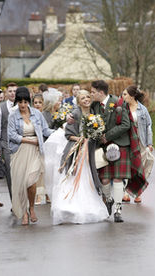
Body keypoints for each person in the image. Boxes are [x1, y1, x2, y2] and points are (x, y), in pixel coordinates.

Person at [50, 90, 108, 225]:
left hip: (89, 152)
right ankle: (68, 207)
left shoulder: (94, 113)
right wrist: (82, 139)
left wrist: (98, 136)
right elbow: (68, 135)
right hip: (76, 151)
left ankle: (88, 208)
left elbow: (96, 133)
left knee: (87, 178)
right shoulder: (75, 114)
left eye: (88, 96)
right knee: (74, 177)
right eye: (83, 98)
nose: (86, 99)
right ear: (78, 101)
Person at [8, 87, 54, 225]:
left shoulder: (37, 114)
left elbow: (45, 130)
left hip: (35, 152)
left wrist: (61, 131)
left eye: (25, 102)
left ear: (29, 101)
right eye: (20, 102)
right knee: (21, 184)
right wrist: (28, 140)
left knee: (31, 181)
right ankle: (24, 212)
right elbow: (11, 135)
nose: (23, 105)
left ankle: (32, 207)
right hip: (19, 151)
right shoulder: (13, 116)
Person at [90, 80, 131, 223]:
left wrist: (107, 136)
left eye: (93, 92)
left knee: (118, 177)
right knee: (105, 179)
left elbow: (126, 124)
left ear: (101, 92)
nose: (91, 94)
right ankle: (109, 200)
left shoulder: (119, 103)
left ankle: (118, 210)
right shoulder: (94, 106)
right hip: (101, 148)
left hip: (120, 144)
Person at [121, 86, 153, 204]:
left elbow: (148, 127)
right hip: (127, 142)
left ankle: (138, 192)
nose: (123, 97)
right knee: (128, 167)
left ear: (132, 96)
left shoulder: (143, 109)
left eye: (125, 94)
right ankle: (125, 193)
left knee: (141, 168)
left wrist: (150, 143)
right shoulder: (122, 108)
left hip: (141, 142)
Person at [0, 82, 17, 201]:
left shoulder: (25, 106)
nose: (13, 93)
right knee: (10, 173)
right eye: (10, 91)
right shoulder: (0, 108)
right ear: (6, 93)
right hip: (6, 144)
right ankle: (14, 202)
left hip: (22, 144)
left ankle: (24, 201)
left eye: (15, 91)